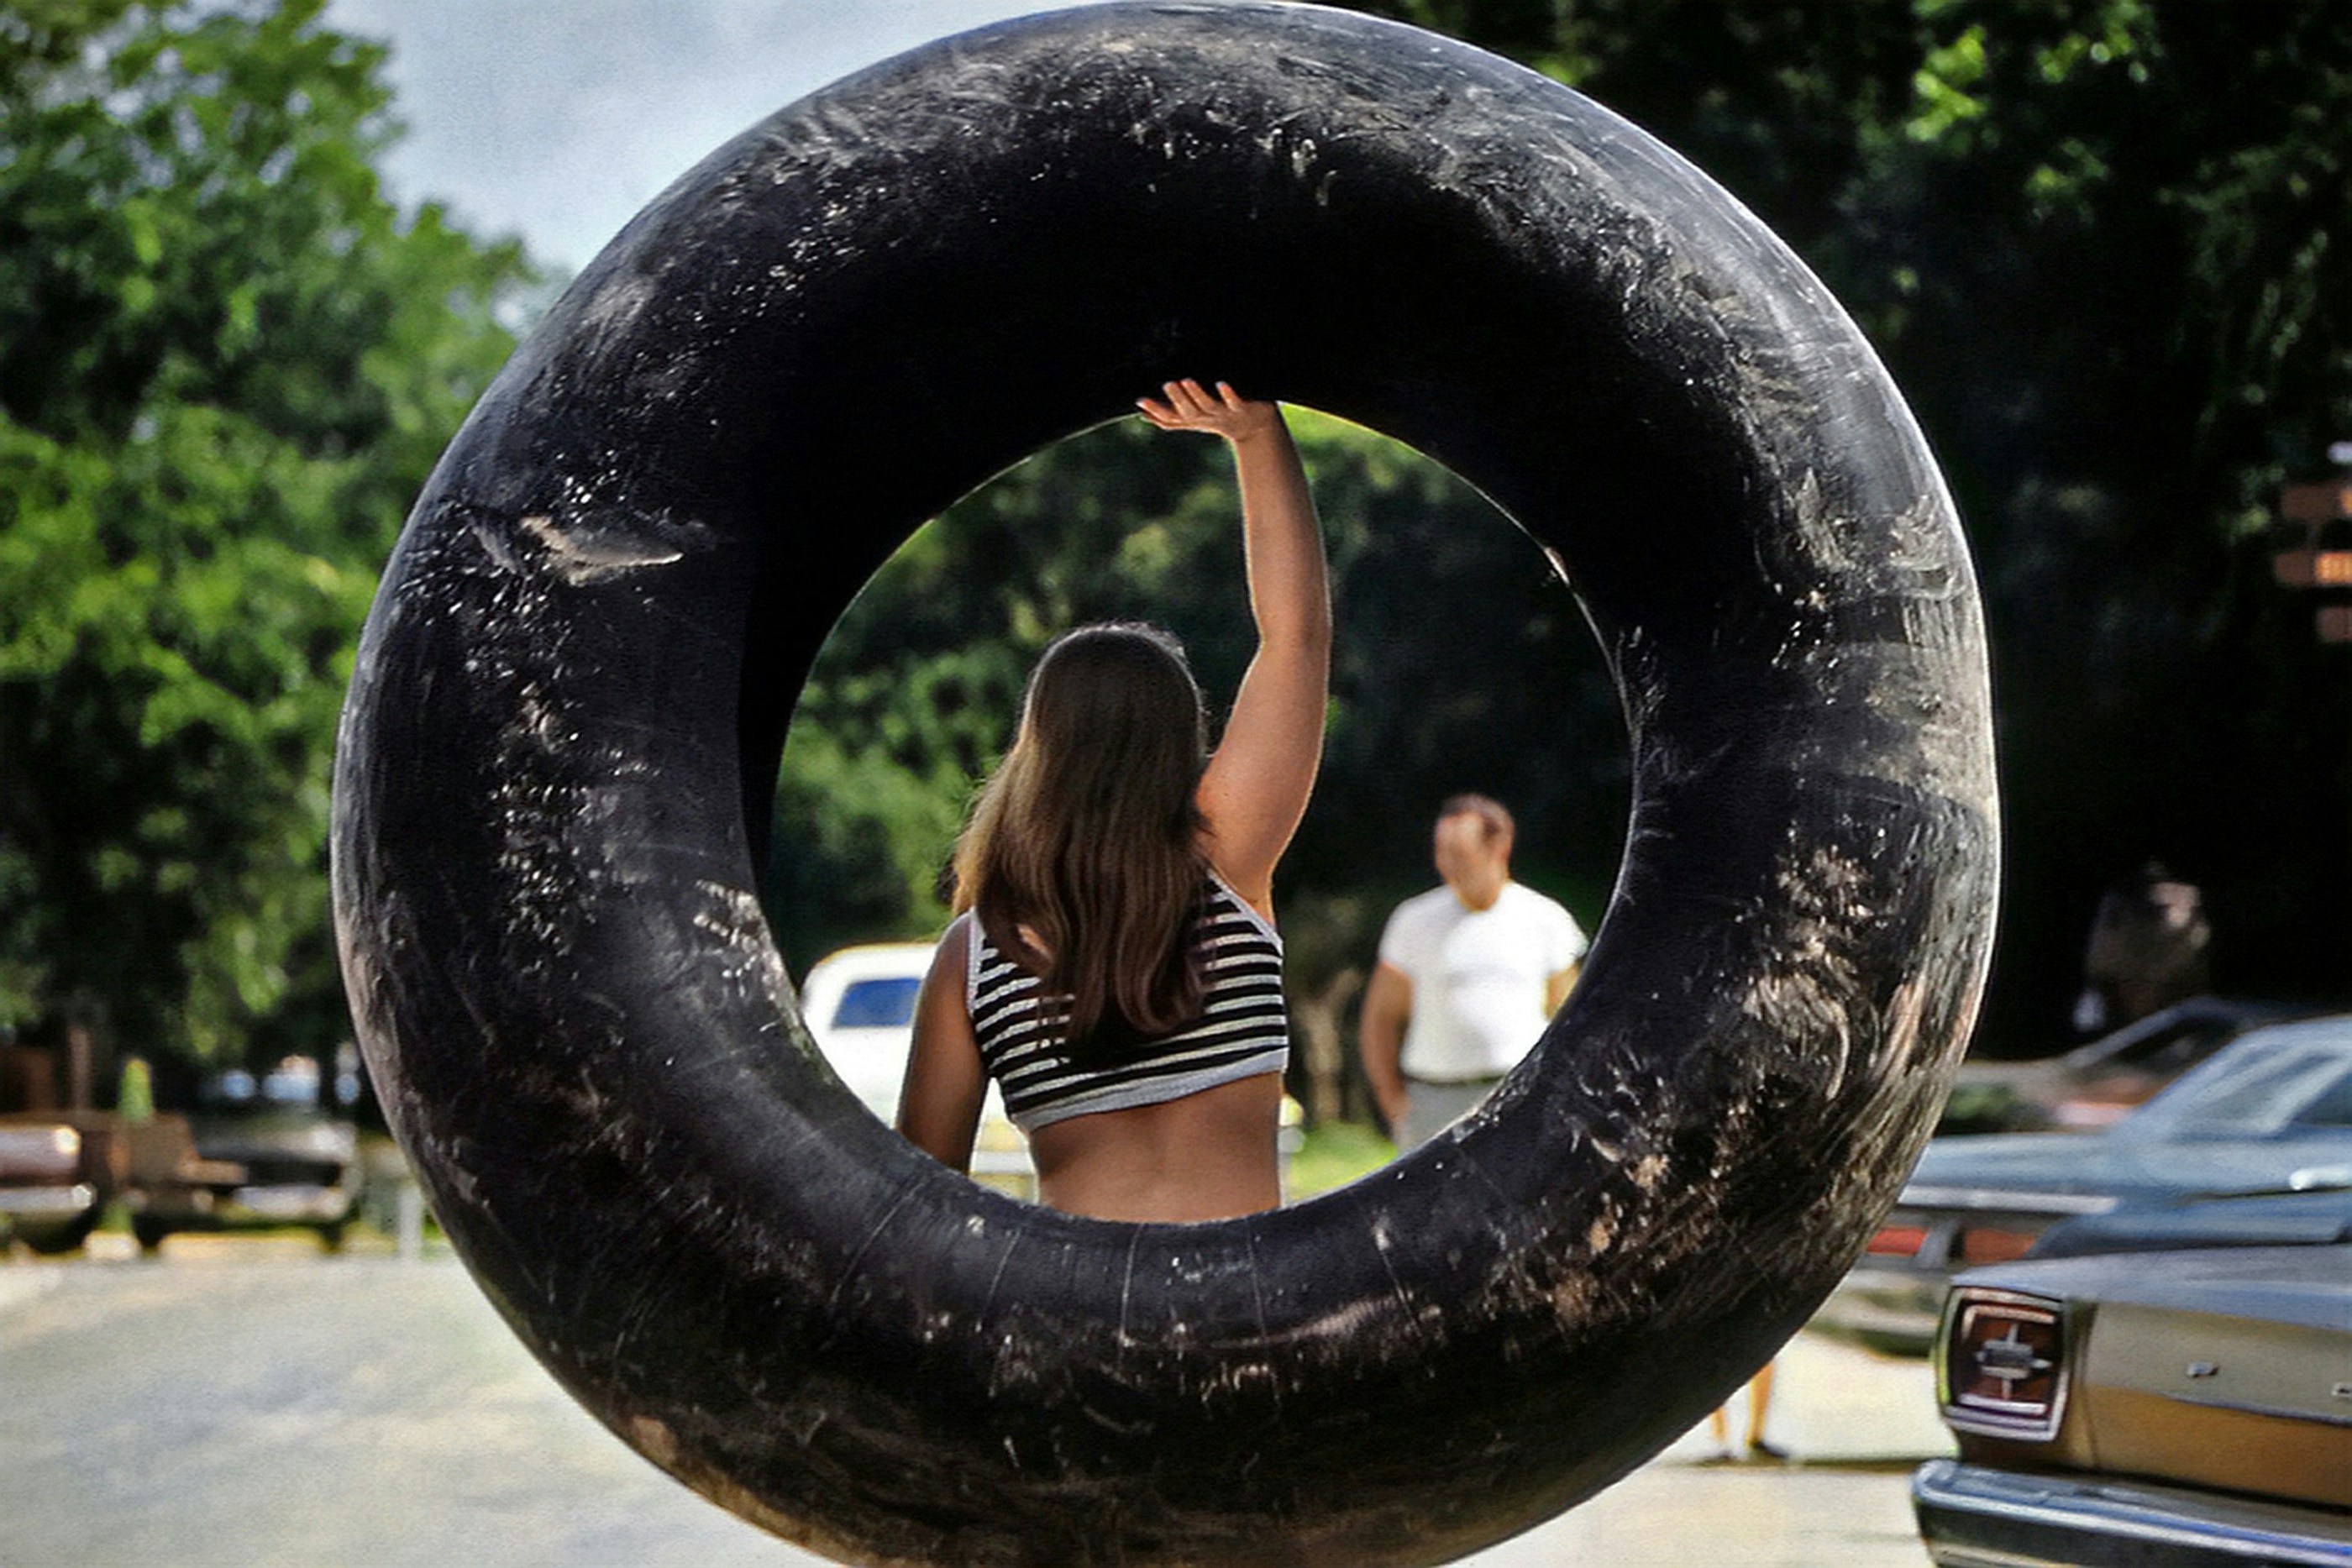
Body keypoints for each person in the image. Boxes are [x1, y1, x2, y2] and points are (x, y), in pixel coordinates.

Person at [896, 380, 1330, 1224]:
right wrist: (1258, 436)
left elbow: (920, 1195)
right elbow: (1296, 636)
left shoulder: (974, 955)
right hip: (1248, 1309)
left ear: (1036, 750)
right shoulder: (1226, 869)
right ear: (1179, 744)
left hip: (1082, 1329)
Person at [1357, 794, 1587, 1150]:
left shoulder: (1545, 919)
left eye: (1459, 853)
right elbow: (1380, 1017)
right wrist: (1394, 1101)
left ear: (1500, 846)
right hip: (1433, 1097)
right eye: (1441, 852)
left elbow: (1569, 1016)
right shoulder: (1413, 921)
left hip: (1519, 1092)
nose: (1448, 864)